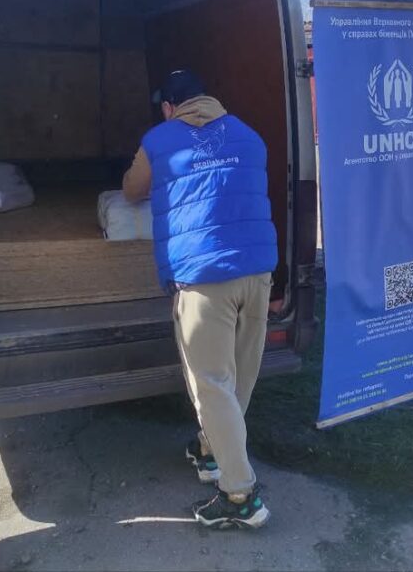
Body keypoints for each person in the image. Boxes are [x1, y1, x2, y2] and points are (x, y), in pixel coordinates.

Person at [123, 69, 278, 529]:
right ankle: (210, 451)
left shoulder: (159, 140)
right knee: (239, 379)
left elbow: (132, 190)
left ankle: (240, 496)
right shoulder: (250, 136)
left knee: (210, 386)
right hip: (258, 274)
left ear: (169, 107)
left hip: (205, 279)